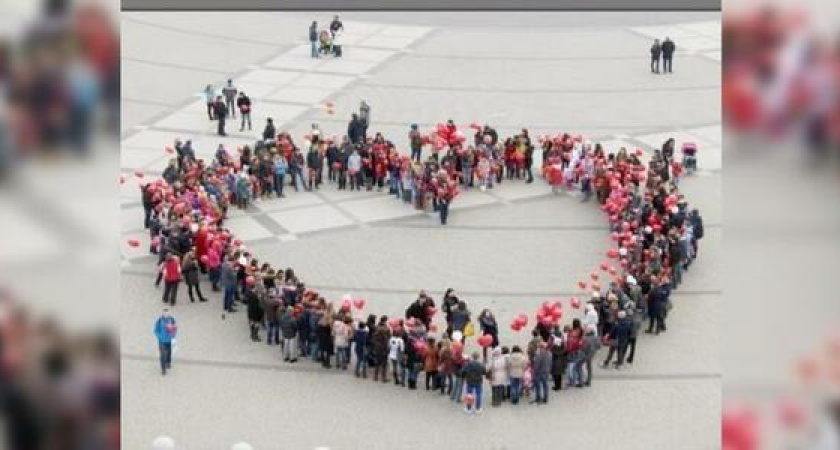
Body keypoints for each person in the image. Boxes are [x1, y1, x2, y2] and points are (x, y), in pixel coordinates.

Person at [153, 309, 177, 375]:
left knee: (169, 352)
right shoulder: (159, 321)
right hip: (162, 341)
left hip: (169, 340)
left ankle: (168, 362)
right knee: (162, 355)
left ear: (169, 314)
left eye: (167, 313)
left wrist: (173, 334)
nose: (166, 315)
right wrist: (160, 337)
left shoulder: (172, 319)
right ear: (162, 314)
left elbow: (175, 328)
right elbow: (155, 330)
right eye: (165, 313)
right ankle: (163, 369)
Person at [371, 316, 390, 382]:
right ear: (385, 321)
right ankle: (383, 378)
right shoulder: (386, 329)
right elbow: (387, 339)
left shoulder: (376, 327)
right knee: (384, 363)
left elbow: (373, 338)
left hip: (377, 347)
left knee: (377, 362)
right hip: (383, 347)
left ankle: (375, 376)